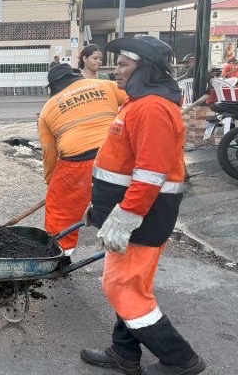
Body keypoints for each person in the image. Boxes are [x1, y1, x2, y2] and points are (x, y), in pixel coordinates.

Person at [81, 35, 205, 375]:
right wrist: (103, 208)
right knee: (131, 285)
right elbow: (121, 165)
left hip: (143, 217)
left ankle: (180, 359)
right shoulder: (138, 103)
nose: (116, 71)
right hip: (129, 212)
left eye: (123, 64)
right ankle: (124, 352)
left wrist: (127, 215)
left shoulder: (152, 108)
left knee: (121, 286)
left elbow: (150, 174)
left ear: (144, 68)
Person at [38, 64, 125, 255]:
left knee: (60, 209)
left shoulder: (48, 108)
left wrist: (51, 180)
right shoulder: (105, 85)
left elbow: (48, 151)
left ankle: (62, 252)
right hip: (118, 154)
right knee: (125, 200)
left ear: (53, 88)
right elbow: (134, 101)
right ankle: (129, 245)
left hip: (78, 162)